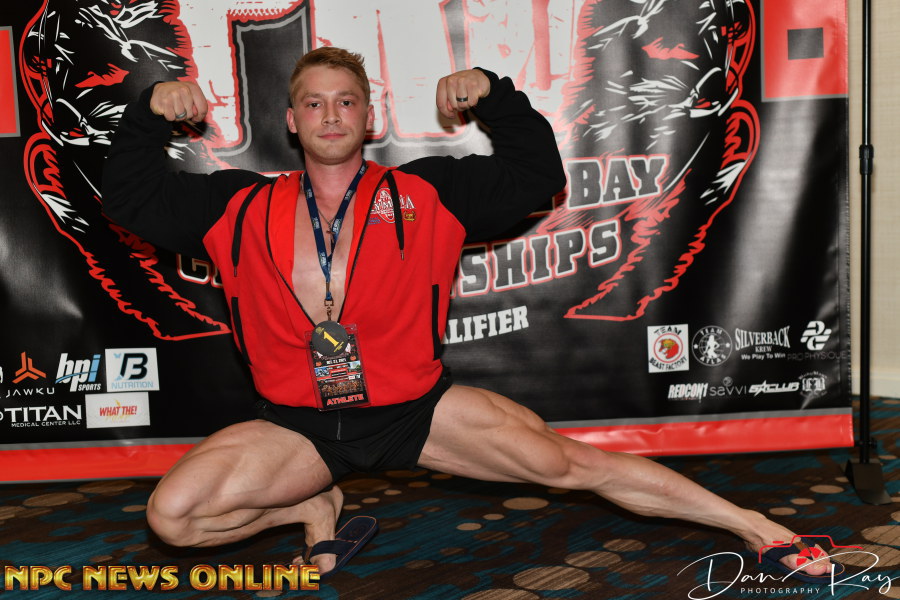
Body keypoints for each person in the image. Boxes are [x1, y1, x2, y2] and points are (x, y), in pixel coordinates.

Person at [101, 46, 839, 582]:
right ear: (292, 121)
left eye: (346, 101)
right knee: (174, 519)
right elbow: (127, 199)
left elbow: (538, 175)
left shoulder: (430, 192)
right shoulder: (232, 204)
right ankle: (310, 508)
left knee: (572, 466)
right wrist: (148, 114)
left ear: (369, 116)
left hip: (416, 413)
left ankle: (756, 527)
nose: (331, 114)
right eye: (315, 103)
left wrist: (493, 94)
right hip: (297, 426)